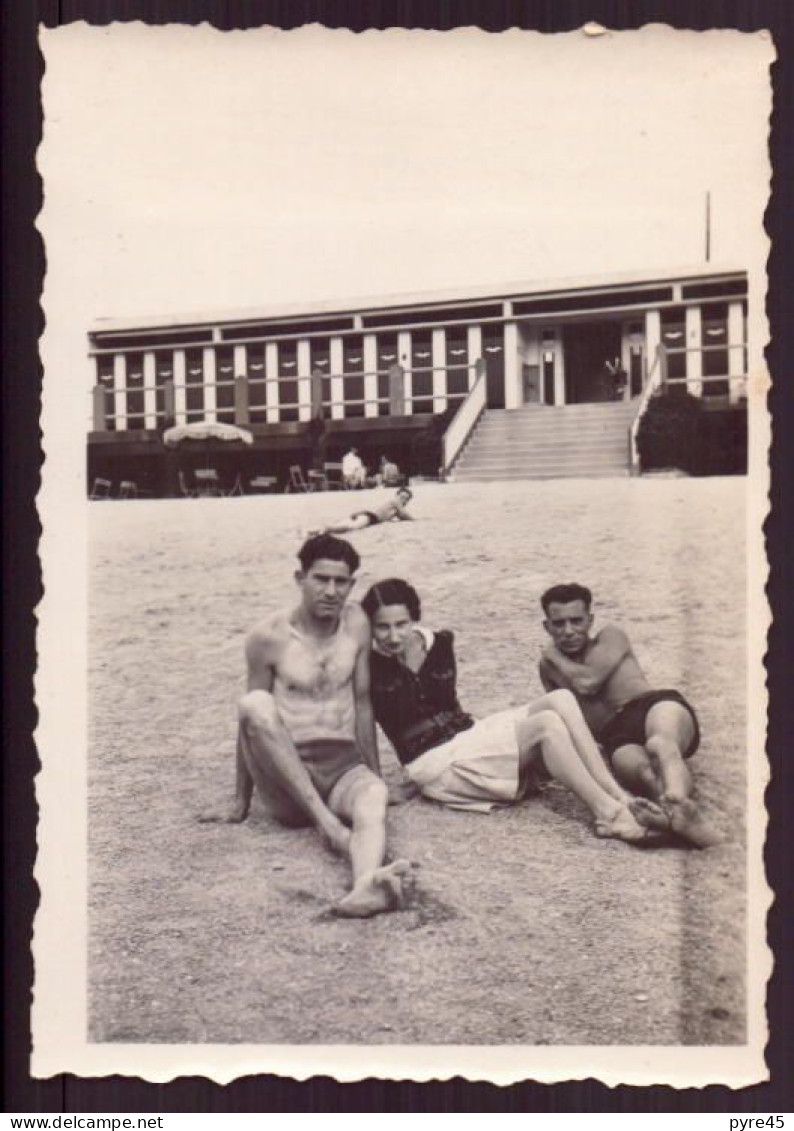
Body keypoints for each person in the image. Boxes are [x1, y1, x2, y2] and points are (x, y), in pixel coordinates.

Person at [361, 578, 668, 844]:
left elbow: (449, 706)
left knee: (560, 699)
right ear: (369, 628)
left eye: (401, 624)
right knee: (546, 725)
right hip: (432, 761)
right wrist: (378, 784)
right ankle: (608, 814)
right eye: (382, 627)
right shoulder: (367, 665)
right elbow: (363, 722)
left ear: (413, 619)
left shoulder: (439, 643)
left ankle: (619, 795)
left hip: (468, 735)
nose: (393, 636)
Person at [199, 535, 411, 917]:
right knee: (254, 703)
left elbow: (362, 703)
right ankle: (329, 828)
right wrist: (239, 802)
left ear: (352, 584)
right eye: (321, 579)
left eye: (341, 582)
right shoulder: (267, 638)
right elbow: (252, 725)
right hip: (288, 780)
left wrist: (376, 774)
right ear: (300, 578)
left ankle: (366, 886)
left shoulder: (357, 624)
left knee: (373, 799)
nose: (331, 591)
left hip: (343, 764)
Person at [538, 583, 719, 848]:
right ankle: (678, 819)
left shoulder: (611, 636)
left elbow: (588, 683)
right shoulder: (547, 668)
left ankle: (679, 804)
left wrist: (554, 655)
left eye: (576, 621)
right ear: (547, 626)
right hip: (616, 734)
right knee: (644, 772)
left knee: (661, 744)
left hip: (651, 706)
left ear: (590, 620)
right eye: (559, 623)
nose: (568, 631)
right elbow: (565, 713)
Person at [311, 488, 414, 536]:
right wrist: (414, 520)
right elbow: (404, 514)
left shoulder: (395, 507)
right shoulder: (395, 501)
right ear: (397, 496)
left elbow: (401, 516)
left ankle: (314, 531)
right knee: (353, 527)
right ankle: (327, 528)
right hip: (370, 516)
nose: (403, 500)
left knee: (345, 524)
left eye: (406, 499)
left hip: (367, 515)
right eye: (402, 497)